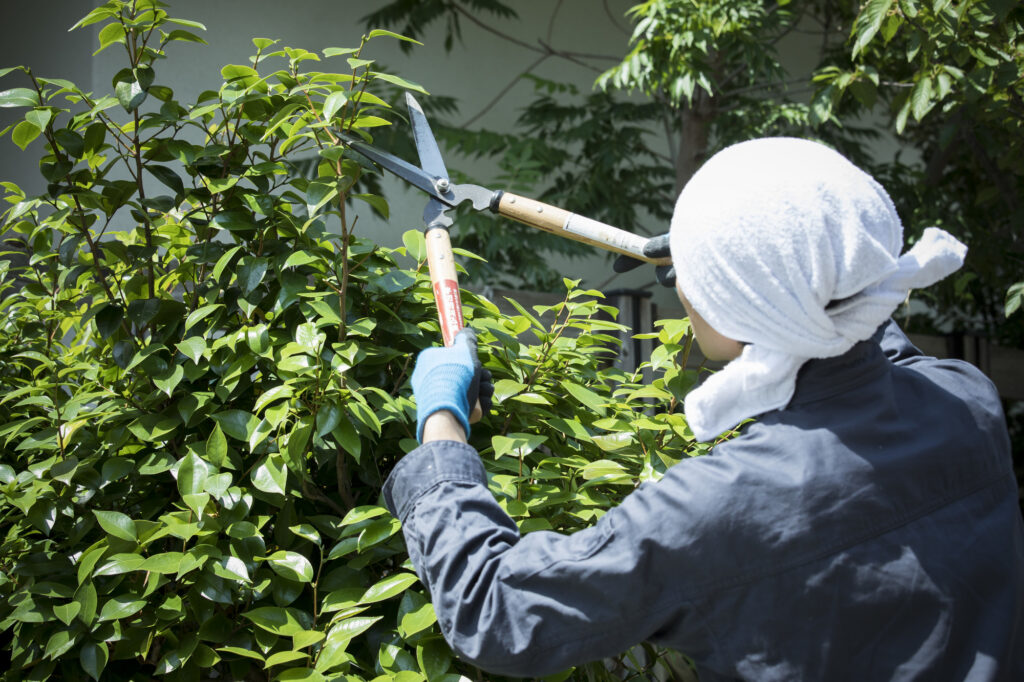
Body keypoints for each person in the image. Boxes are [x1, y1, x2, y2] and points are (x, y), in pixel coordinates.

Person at [382, 138, 1024, 680]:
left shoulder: (720, 505)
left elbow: (496, 608)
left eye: (698, 277)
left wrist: (443, 426)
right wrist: (737, 262)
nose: (684, 288)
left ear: (746, 303)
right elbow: (855, 311)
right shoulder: (963, 398)